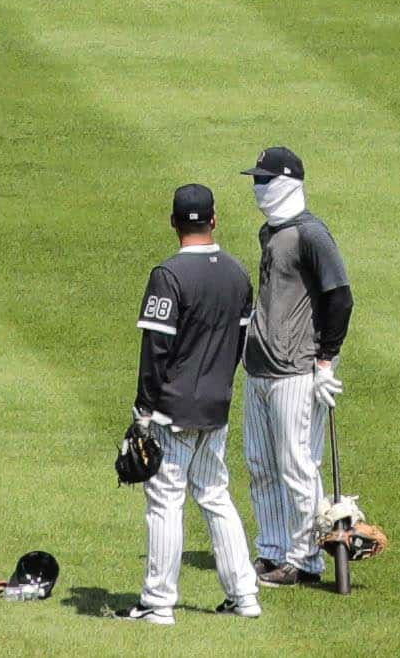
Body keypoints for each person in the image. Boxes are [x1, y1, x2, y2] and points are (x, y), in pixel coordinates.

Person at [128, 181, 262, 625]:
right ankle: (245, 596)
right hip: (217, 407)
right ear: (214, 219)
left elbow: (156, 351)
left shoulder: (169, 275)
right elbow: (240, 342)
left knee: (165, 501)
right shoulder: (237, 274)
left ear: (173, 222)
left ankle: (158, 603)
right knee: (215, 496)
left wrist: (143, 412)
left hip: (173, 410)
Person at [234, 144, 354, 578]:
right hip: (259, 367)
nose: (258, 188)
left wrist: (326, 362)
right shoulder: (270, 232)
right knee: (260, 464)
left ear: (287, 182)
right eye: (255, 181)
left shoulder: (312, 235)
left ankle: (305, 559)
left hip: (296, 371)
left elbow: (339, 298)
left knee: (297, 465)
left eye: (264, 180)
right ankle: (271, 549)